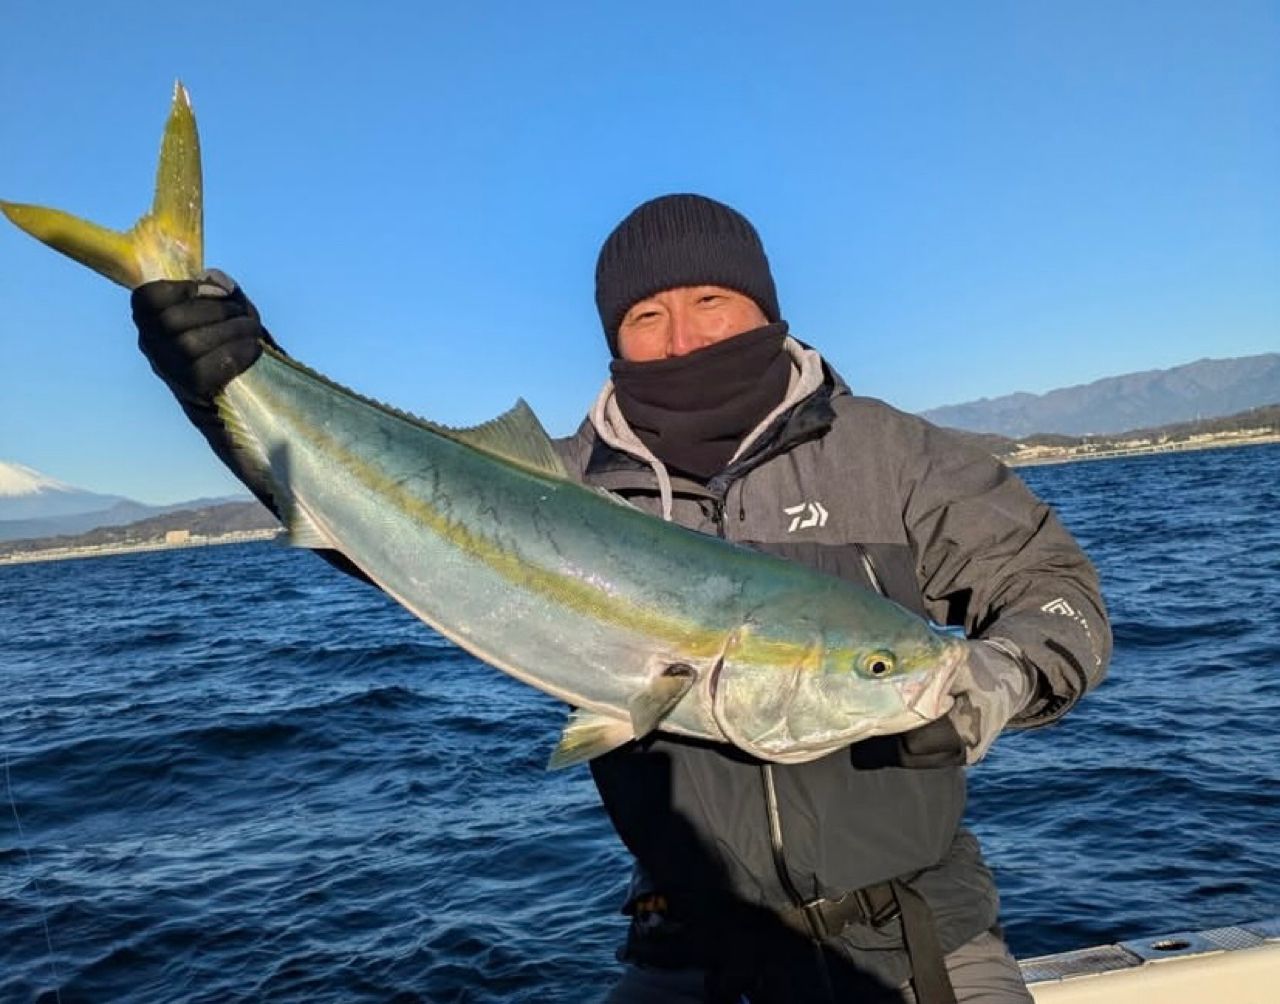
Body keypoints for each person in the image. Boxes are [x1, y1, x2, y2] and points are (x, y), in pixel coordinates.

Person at [131, 194, 1111, 1003]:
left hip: (922, 937)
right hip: (685, 948)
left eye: (710, 300)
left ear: (765, 307)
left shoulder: (891, 455)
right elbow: (369, 520)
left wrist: (994, 678)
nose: (681, 338)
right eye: (646, 317)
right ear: (614, 338)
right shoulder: (557, 486)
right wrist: (223, 380)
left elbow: (1054, 592)